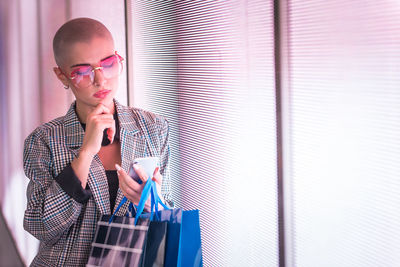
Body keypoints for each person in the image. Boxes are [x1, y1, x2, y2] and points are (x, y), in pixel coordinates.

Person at [23, 17, 173, 266]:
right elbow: (41, 226)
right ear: (62, 76)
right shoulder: (44, 140)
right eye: (82, 71)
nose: (100, 80)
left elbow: (166, 212)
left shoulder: (153, 128)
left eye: (108, 64)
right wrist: (85, 153)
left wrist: (151, 203)